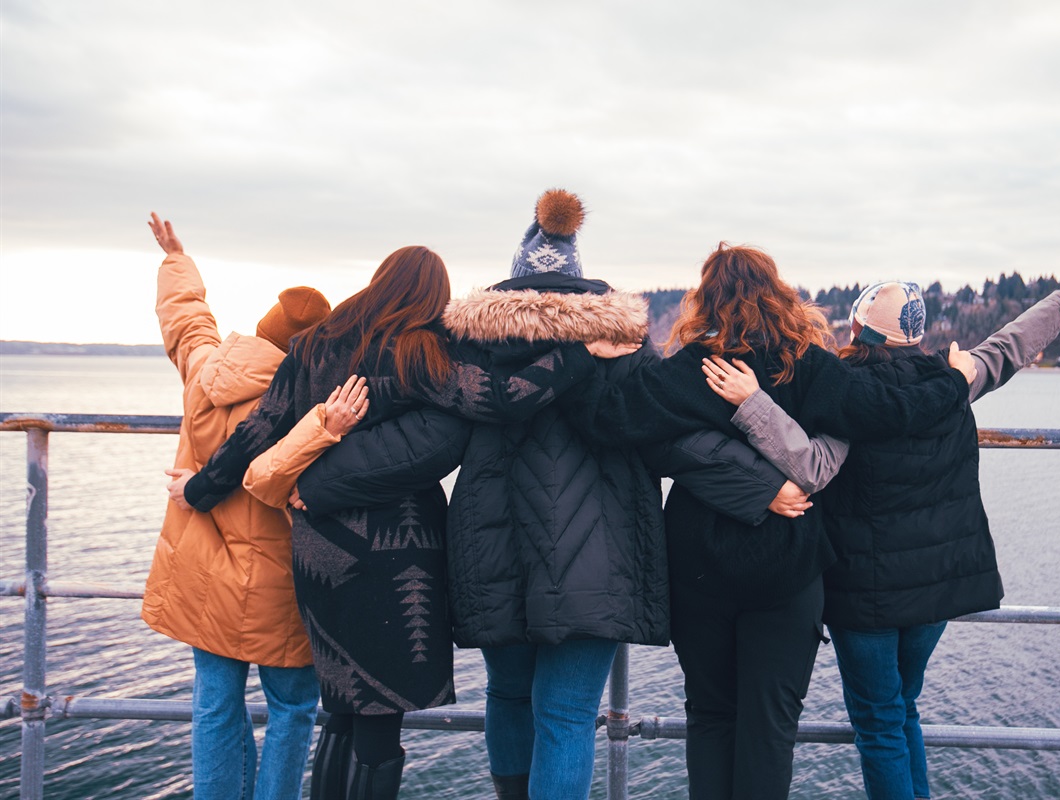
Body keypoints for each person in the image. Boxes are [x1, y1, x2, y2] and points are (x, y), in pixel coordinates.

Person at [288, 190, 813, 800]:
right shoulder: (620, 348)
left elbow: (427, 442)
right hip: (601, 556)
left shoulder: (473, 350)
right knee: (565, 716)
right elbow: (674, 442)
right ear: (583, 282)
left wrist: (315, 483)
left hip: (492, 552)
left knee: (508, 696)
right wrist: (760, 487)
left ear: (512, 284)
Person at [169, 236, 632, 799]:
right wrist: (581, 353)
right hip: (395, 550)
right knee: (380, 718)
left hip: (319, 547)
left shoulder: (312, 347)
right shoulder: (418, 352)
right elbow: (501, 397)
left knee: (342, 707)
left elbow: (257, 431)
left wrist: (200, 488)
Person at [555, 242, 980, 800]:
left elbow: (604, 419)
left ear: (703, 301)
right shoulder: (809, 368)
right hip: (787, 572)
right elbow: (891, 413)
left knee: (709, 714)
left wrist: (593, 356)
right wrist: (954, 380)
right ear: (778, 296)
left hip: (699, 571)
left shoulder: (692, 369)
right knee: (770, 726)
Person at [703, 266, 1060, 800]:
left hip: (864, 593)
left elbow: (803, 456)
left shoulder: (841, 393)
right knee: (901, 706)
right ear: (917, 335)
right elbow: (1009, 347)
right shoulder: (951, 379)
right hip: (936, 589)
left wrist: (748, 400)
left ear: (859, 330)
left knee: (879, 721)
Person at [140, 212, 329, 800]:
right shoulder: (308, 404)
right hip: (279, 583)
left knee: (215, 704)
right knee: (294, 708)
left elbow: (187, 323)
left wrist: (177, 260)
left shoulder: (208, 370)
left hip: (204, 577)